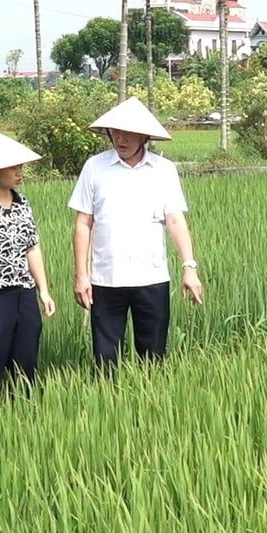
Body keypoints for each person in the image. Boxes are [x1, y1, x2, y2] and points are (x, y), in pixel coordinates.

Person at [68, 97, 204, 373]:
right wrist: (81, 275)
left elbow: (176, 221)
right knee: (105, 361)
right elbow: (83, 224)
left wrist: (189, 267)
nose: (121, 139)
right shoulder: (94, 167)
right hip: (106, 279)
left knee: (153, 359)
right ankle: (107, 398)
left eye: (128, 133)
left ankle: (151, 397)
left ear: (144, 136)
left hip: (152, 277)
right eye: (116, 132)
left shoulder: (163, 170)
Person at [0, 130, 57, 388]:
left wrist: (43, 291)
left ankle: (24, 407)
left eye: (20, 166)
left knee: (26, 358)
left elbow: (32, 247)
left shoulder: (21, 202)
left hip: (23, 293)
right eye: (13, 167)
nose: (19, 172)